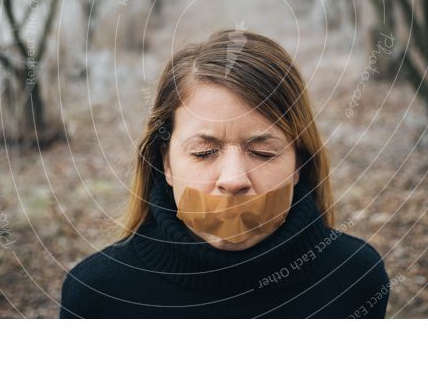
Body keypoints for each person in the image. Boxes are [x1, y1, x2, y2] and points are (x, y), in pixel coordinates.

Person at [59, 29, 389, 318]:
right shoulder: (96, 295)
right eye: (204, 152)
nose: (233, 180)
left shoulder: (356, 277)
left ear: (298, 165)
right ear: (167, 164)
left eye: (263, 152)